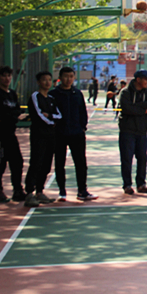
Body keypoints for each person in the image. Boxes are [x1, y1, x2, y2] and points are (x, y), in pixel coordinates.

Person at [49, 66, 97, 202]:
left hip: (77, 133)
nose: (68, 79)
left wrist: (82, 128)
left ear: (74, 78)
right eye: (65, 76)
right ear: (60, 78)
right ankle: (62, 191)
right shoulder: (53, 94)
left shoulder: (77, 93)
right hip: (59, 134)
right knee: (60, 163)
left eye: (71, 76)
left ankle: (82, 190)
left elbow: (82, 112)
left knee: (81, 163)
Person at [0, 65, 27, 204]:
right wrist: (14, 116)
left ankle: (17, 190)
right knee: (0, 163)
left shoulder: (12, 94)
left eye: (9, 76)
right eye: (4, 76)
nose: (7, 78)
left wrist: (14, 115)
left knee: (17, 162)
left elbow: (18, 110)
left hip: (10, 134)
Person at [24, 71, 62, 207]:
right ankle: (29, 193)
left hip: (51, 136)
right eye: (44, 80)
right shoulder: (35, 96)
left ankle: (39, 192)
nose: (47, 82)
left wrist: (50, 116)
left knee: (46, 164)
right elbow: (38, 115)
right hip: (39, 135)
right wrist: (51, 121)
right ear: (38, 82)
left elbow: (59, 115)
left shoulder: (51, 99)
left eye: (49, 79)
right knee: (36, 162)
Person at [118, 69, 147, 195]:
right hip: (127, 130)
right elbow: (127, 108)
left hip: (142, 130)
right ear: (138, 79)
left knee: (142, 158)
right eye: (145, 79)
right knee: (127, 159)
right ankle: (127, 185)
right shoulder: (125, 92)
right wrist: (143, 110)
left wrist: (137, 107)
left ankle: (141, 183)